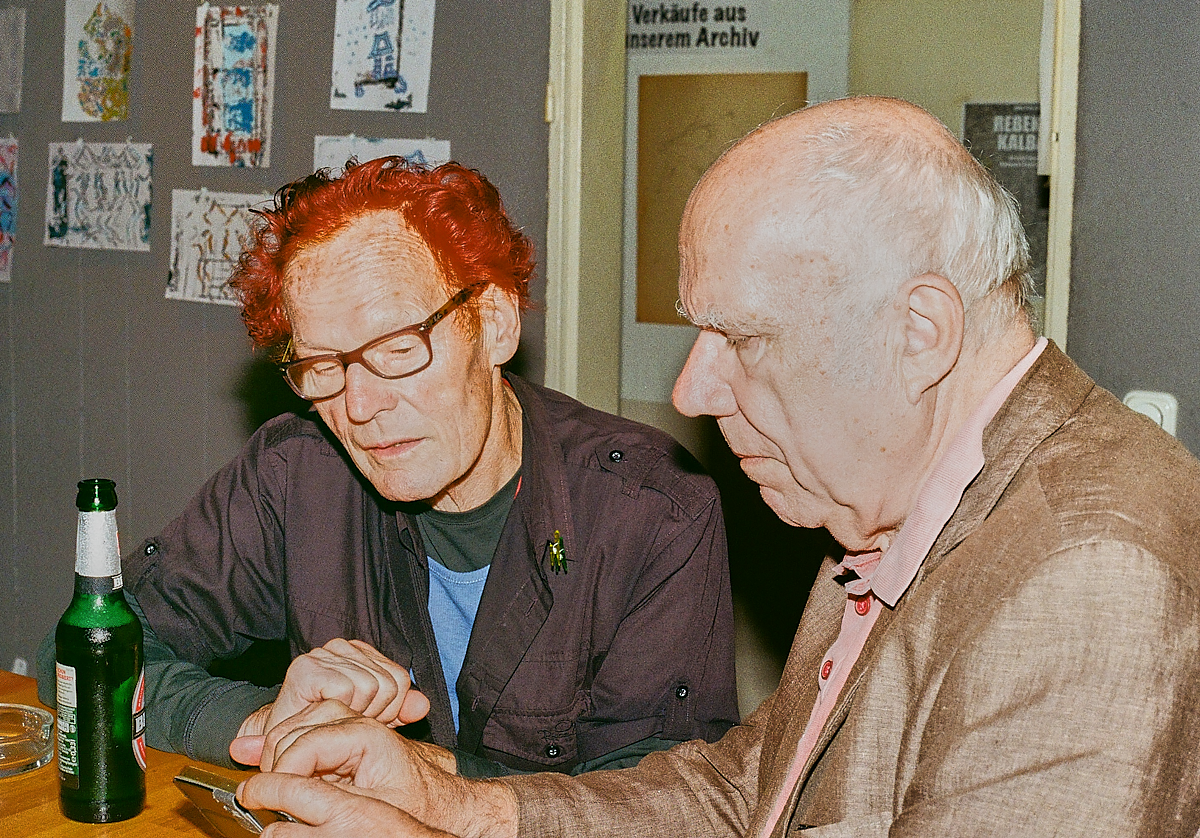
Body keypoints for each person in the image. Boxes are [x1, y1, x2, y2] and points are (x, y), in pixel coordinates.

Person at [234, 96, 1200, 836]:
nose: (691, 391)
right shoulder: (903, 509)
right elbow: (749, 792)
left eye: (741, 338)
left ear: (921, 331)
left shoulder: (1086, 573)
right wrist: (457, 805)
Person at [37, 158, 739, 776]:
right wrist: (270, 724)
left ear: (494, 324)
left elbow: (666, 805)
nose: (360, 405)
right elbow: (80, 653)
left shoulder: (653, 510)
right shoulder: (294, 476)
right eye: (323, 366)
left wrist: (421, 781)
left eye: (400, 348)